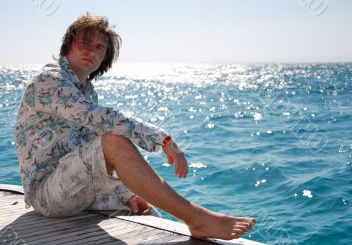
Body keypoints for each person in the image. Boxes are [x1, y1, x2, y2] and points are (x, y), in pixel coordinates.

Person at [15, 13, 256, 240]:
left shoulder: (85, 90)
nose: (91, 51)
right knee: (114, 141)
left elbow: (87, 150)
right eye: (84, 43)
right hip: (46, 193)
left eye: (100, 47)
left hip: (69, 185)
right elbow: (98, 119)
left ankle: (190, 222)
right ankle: (198, 219)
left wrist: (127, 194)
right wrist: (162, 139)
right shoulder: (49, 81)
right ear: (68, 45)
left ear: (104, 57)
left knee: (148, 215)